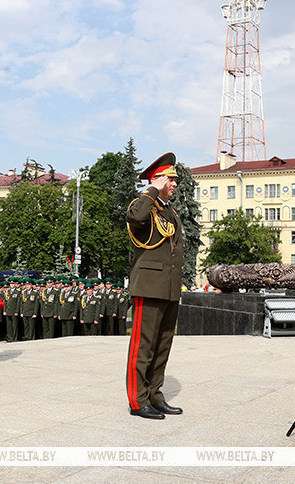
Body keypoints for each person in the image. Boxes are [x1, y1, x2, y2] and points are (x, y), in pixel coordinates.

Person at [125, 152, 184, 420]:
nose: (175, 182)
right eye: (170, 178)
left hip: (169, 288)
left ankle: (154, 395)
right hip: (148, 286)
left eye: (174, 178)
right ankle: (137, 401)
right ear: (157, 180)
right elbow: (136, 218)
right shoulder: (143, 204)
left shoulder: (169, 211)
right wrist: (152, 190)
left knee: (162, 345)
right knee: (143, 346)